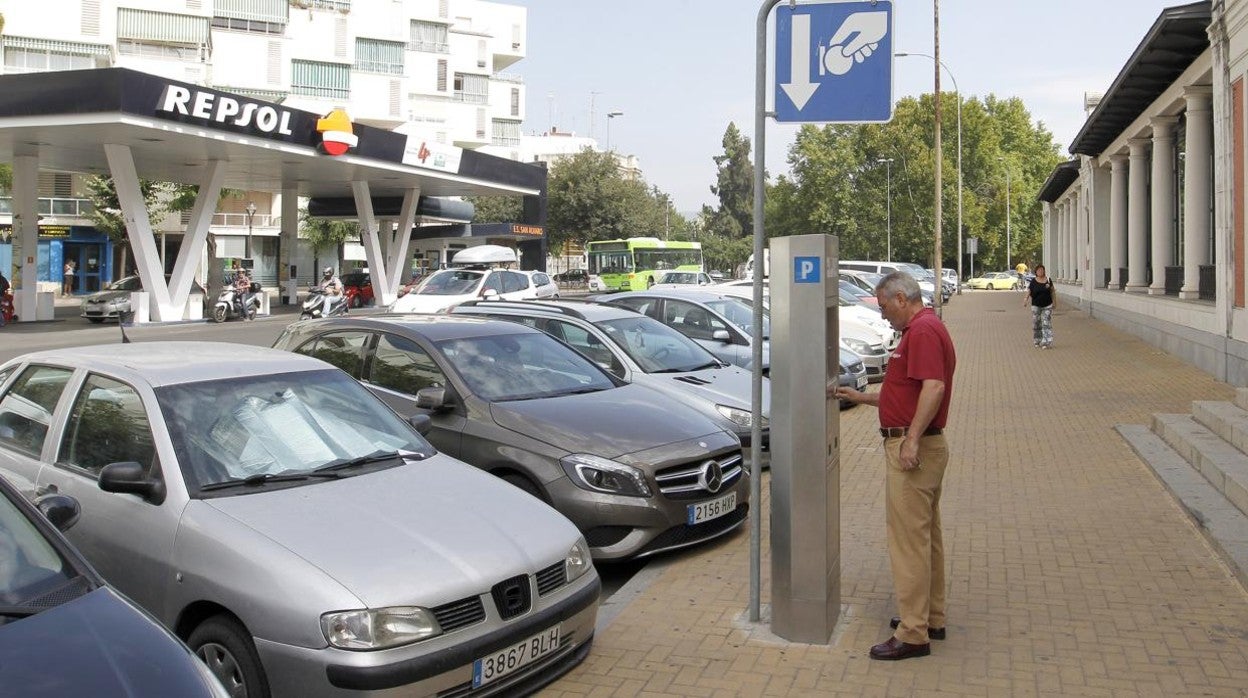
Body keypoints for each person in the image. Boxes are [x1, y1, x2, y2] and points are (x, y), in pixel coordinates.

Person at [833, 271, 957, 661]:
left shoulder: (921, 332)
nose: (884, 316)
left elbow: (933, 387)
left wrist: (912, 439)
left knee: (908, 543)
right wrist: (862, 396)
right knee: (925, 538)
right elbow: (905, 392)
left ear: (902, 298)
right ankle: (928, 617)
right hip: (921, 445)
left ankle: (913, 633)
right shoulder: (923, 328)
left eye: (885, 307)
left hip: (914, 450)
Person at [1025, 264, 1056, 349]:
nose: (1040, 272)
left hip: (1047, 305)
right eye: (1039, 270)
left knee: (1046, 323)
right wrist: (1025, 299)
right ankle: (1037, 340)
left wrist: (1054, 302)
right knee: (1036, 323)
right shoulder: (1033, 281)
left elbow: (1052, 291)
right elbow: (1029, 290)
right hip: (1036, 305)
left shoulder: (1048, 280)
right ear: (1036, 272)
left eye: (1042, 270)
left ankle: (1046, 342)